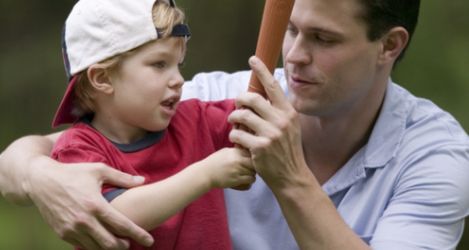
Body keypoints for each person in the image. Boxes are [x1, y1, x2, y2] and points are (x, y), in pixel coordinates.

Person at [1, 0, 469, 249]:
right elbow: (25, 159)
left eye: (323, 38)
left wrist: (291, 180)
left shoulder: (435, 155)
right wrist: (44, 178)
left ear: (389, 46)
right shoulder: (213, 100)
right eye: (291, 30)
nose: (295, 55)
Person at [11, 0, 255, 249]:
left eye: (177, 64)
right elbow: (117, 214)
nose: (179, 80)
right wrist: (207, 174)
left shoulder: (196, 119)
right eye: (160, 64)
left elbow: (256, 118)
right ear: (102, 78)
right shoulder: (79, 149)